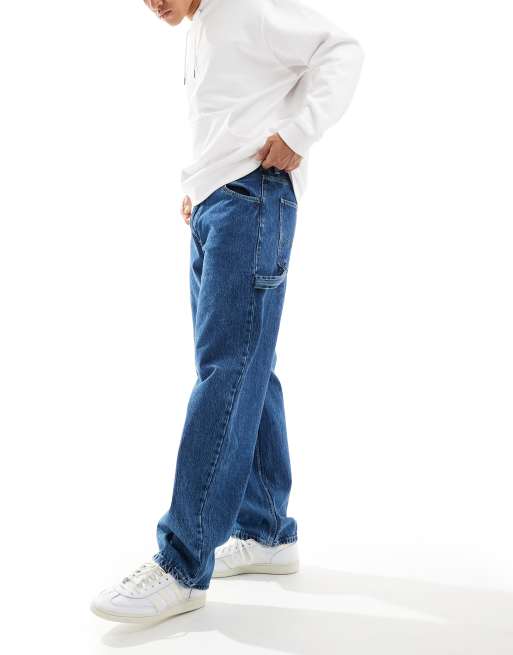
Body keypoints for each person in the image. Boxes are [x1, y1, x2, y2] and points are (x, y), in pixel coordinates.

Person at [90, 0, 364, 624]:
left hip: (252, 200)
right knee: (247, 367)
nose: (152, 1)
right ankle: (267, 531)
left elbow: (342, 50)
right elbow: (230, 116)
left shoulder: (244, 6)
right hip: (220, 203)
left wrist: (299, 133)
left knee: (227, 373)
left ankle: (182, 563)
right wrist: (200, 187)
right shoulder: (204, 29)